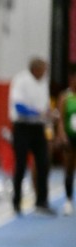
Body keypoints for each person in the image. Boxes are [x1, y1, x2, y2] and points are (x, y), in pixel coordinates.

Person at [8, 57, 54, 216]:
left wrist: (49, 117)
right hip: (22, 127)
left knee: (43, 163)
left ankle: (42, 200)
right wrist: (38, 112)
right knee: (20, 165)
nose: (45, 73)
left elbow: (45, 106)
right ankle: (16, 202)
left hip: (38, 128)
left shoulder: (43, 83)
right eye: (43, 70)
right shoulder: (21, 81)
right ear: (35, 69)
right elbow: (19, 107)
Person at [56, 66, 76, 215]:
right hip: (70, 137)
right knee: (69, 168)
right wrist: (62, 135)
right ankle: (68, 200)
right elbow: (61, 120)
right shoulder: (65, 97)